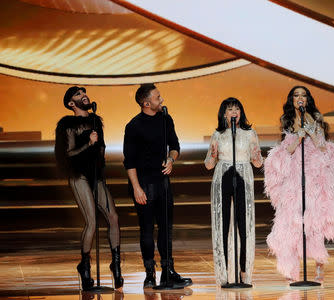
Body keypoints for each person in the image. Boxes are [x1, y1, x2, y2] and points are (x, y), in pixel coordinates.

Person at [264, 86, 334, 283]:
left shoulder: (315, 118)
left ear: (307, 99)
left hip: (314, 174)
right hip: (294, 175)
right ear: (292, 99)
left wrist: (312, 130)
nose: (299, 98)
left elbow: (322, 146)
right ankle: (292, 268)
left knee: (314, 219)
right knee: (292, 220)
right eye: (296, 95)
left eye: (303, 95)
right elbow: (289, 149)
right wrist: (299, 135)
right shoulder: (287, 120)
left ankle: (318, 264)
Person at [123, 83, 192, 289]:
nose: (161, 100)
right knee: (146, 230)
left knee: (165, 229)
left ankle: (168, 271)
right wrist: (136, 188)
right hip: (143, 183)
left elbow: (175, 146)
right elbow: (129, 161)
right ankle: (149, 273)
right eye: (157, 97)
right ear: (146, 103)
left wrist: (171, 159)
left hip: (162, 183)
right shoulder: (133, 126)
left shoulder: (165, 119)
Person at [55, 86, 123, 291]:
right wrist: (89, 144)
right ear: (71, 103)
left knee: (113, 217)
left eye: (83, 92)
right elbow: (68, 153)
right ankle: (85, 266)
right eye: (77, 94)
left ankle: (116, 263)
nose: (83, 95)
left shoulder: (95, 121)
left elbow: (100, 146)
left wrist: (100, 150)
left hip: (96, 175)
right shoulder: (67, 125)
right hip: (79, 175)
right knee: (91, 221)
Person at [204, 97, 263, 286]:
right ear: (224, 113)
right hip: (223, 177)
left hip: (243, 176)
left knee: (243, 225)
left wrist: (256, 154)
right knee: (223, 225)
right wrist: (213, 154)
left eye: (237, 109)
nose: (234, 112)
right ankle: (225, 273)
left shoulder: (250, 133)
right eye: (230, 109)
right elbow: (208, 165)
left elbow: (258, 163)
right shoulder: (218, 134)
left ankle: (244, 271)